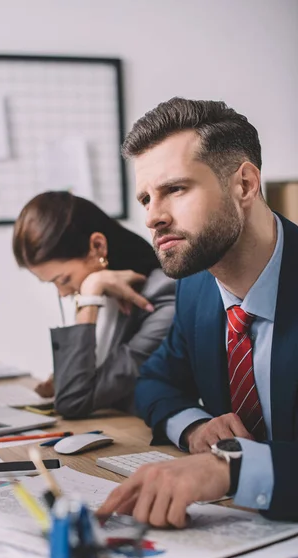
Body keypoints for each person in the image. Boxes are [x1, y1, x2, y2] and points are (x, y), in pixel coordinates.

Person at [98, 97, 298, 525]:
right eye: (146, 198)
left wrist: (229, 468)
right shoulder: (195, 288)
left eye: (174, 189)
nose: (153, 217)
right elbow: (153, 381)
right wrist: (194, 428)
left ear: (244, 184)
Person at [12, 191, 175, 418]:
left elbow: (73, 402)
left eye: (64, 279)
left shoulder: (161, 299)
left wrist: (90, 295)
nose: (63, 293)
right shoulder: (101, 295)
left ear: (97, 246)